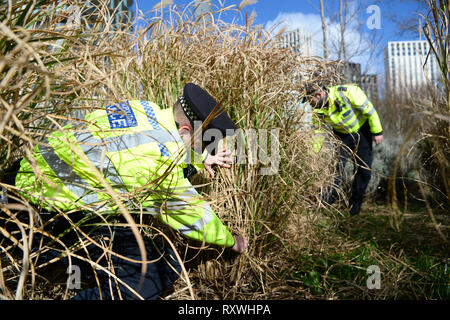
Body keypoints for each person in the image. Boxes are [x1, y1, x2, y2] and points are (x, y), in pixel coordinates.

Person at [1, 83, 248, 299]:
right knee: (156, 270)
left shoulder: (143, 107)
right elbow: (194, 216)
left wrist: (199, 157)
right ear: (185, 132)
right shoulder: (159, 160)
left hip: (17, 180)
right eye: (205, 143)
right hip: (36, 220)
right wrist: (232, 241)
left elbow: (152, 143)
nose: (206, 149)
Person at [306, 83, 384, 215]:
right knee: (336, 169)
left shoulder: (347, 92)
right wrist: (314, 152)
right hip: (341, 136)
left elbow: (370, 110)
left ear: (318, 95)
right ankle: (326, 201)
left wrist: (377, 132)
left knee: (363, 170)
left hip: (362, 132)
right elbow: (317, 132)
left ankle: (355, 205)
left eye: (310, 100)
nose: (309, 104)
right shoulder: (318, 110)